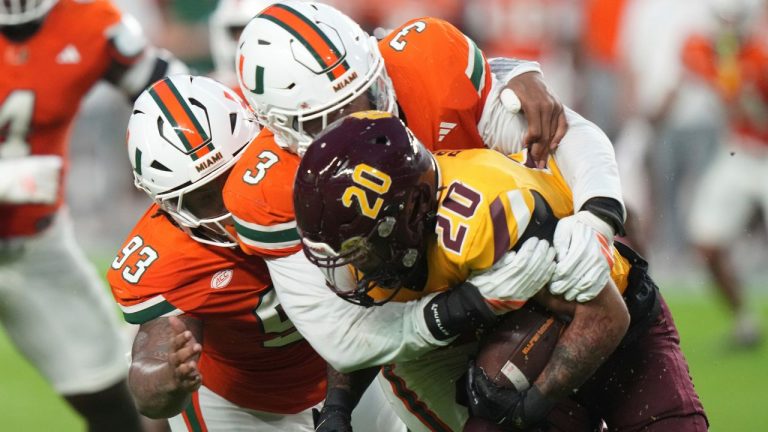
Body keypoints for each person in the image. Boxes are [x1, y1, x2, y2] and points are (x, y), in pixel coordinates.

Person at [293, 111, 709, 431]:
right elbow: (370, 325)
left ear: (411, 214)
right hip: (522, 345)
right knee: (492, 397)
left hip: (620, 331)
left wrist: (532, 404)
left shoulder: (488, 218)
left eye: (360, 251)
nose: (354, 268)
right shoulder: (394, 239)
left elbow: (605, 315)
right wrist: (337, 408)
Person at [110, 74, 413, 431]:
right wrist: (161, 377)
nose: (231, 204)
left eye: (236, 176)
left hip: (349, 361)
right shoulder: (166, 257)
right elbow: (152, 372)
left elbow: (351, 310)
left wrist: (338, 405)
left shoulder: (301, 166)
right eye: (205, 196)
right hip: (242, 405)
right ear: (167, 204)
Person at [0, 1, 185, 430]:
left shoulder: (94, 23)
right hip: (36, 219)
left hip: (36, 248)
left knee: (114, 403)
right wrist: (11, 181)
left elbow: (175, 96)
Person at [682, 0, 767, 347]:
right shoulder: (707, 49)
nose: (725, 29)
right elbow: (690, 53)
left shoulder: (760, 57)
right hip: (738, 151)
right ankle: (744, 321)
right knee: (706, 242)